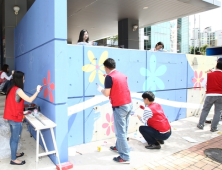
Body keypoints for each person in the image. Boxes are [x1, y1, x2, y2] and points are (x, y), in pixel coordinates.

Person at [97, 58, 132, 164]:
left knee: (120, 132)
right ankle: (118, 147)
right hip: (128, 104)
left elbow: (106, 93)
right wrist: (107, 79)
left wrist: (100, 89)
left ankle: (125, 156)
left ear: (106, 67)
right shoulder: (121, 75)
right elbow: (118, 86)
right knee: (123, 129)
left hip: (120, 107)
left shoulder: (109, 77)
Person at [3, 71, 42, 165]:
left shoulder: (11, 88)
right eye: (23, 79)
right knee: (15, 139)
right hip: (15, 119)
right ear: (19, 79)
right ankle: (13, 159)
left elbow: (14, 103)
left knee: (13, 138)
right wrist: (37, 91)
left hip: (10, 117)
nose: (24, 81)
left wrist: (22, 111)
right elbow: (30, 100)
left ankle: (14, 153)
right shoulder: (18, 90)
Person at [197, 62, 222, 132]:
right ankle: (214, 128)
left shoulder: (209, 74)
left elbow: (203, 84)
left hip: (210, 94)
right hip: (220, 95)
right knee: (218, 112)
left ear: (216, 66)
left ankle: (201, 124)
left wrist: (208, 89)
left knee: (205, 110)